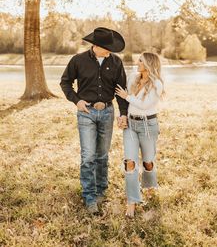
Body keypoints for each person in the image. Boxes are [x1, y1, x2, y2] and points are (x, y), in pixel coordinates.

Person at [60, 27, 128, 214]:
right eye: (107, 47)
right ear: (96, 46)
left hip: (107, 112)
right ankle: (89, 196)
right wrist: (77, 100)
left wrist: (123, 113)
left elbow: (121, 89)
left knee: (102, 155)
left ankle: (101, 190)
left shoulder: (115, 62)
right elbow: (65, 82)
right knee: (88, 156)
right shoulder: (78, 60)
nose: (110, 50)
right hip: (86, 113)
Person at [115, 52, 164, 218]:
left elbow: (144, 105)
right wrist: (122, 115)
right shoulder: (133, 78)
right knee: (130, 162)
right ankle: (132, 201)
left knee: (148, 162)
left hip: (148, 125)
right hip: (130, 125)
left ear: (149, 64)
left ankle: (149, 188)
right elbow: (123, 100)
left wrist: (127, 96)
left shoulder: (157, 84)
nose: (138, 62)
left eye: (141, 61)